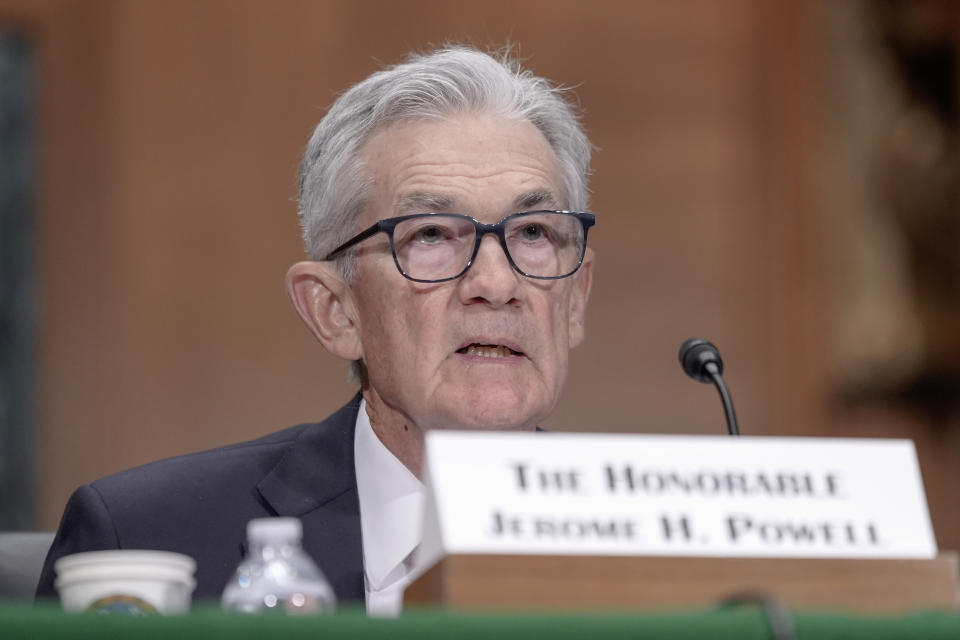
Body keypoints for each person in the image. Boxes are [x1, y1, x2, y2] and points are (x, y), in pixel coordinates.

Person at [36, 46, 595, 615]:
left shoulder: (670, 549)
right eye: (430, 235)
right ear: (335, 309)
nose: (496, 282)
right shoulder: (147, 534)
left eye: (533, 233)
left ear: (575, 300)